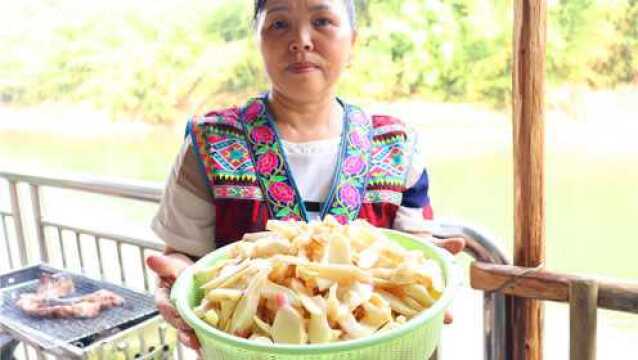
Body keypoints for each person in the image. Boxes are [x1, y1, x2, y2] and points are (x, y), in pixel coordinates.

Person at [147, 0, 465, 350]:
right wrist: (174, 280)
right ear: (257, 39)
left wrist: (434, 270)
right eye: (279, 24)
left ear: (353, 41)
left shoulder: (395, 145)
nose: (301, 40)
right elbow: (184, 259)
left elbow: (414, 253)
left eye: (322, 21)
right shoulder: (210, 144)